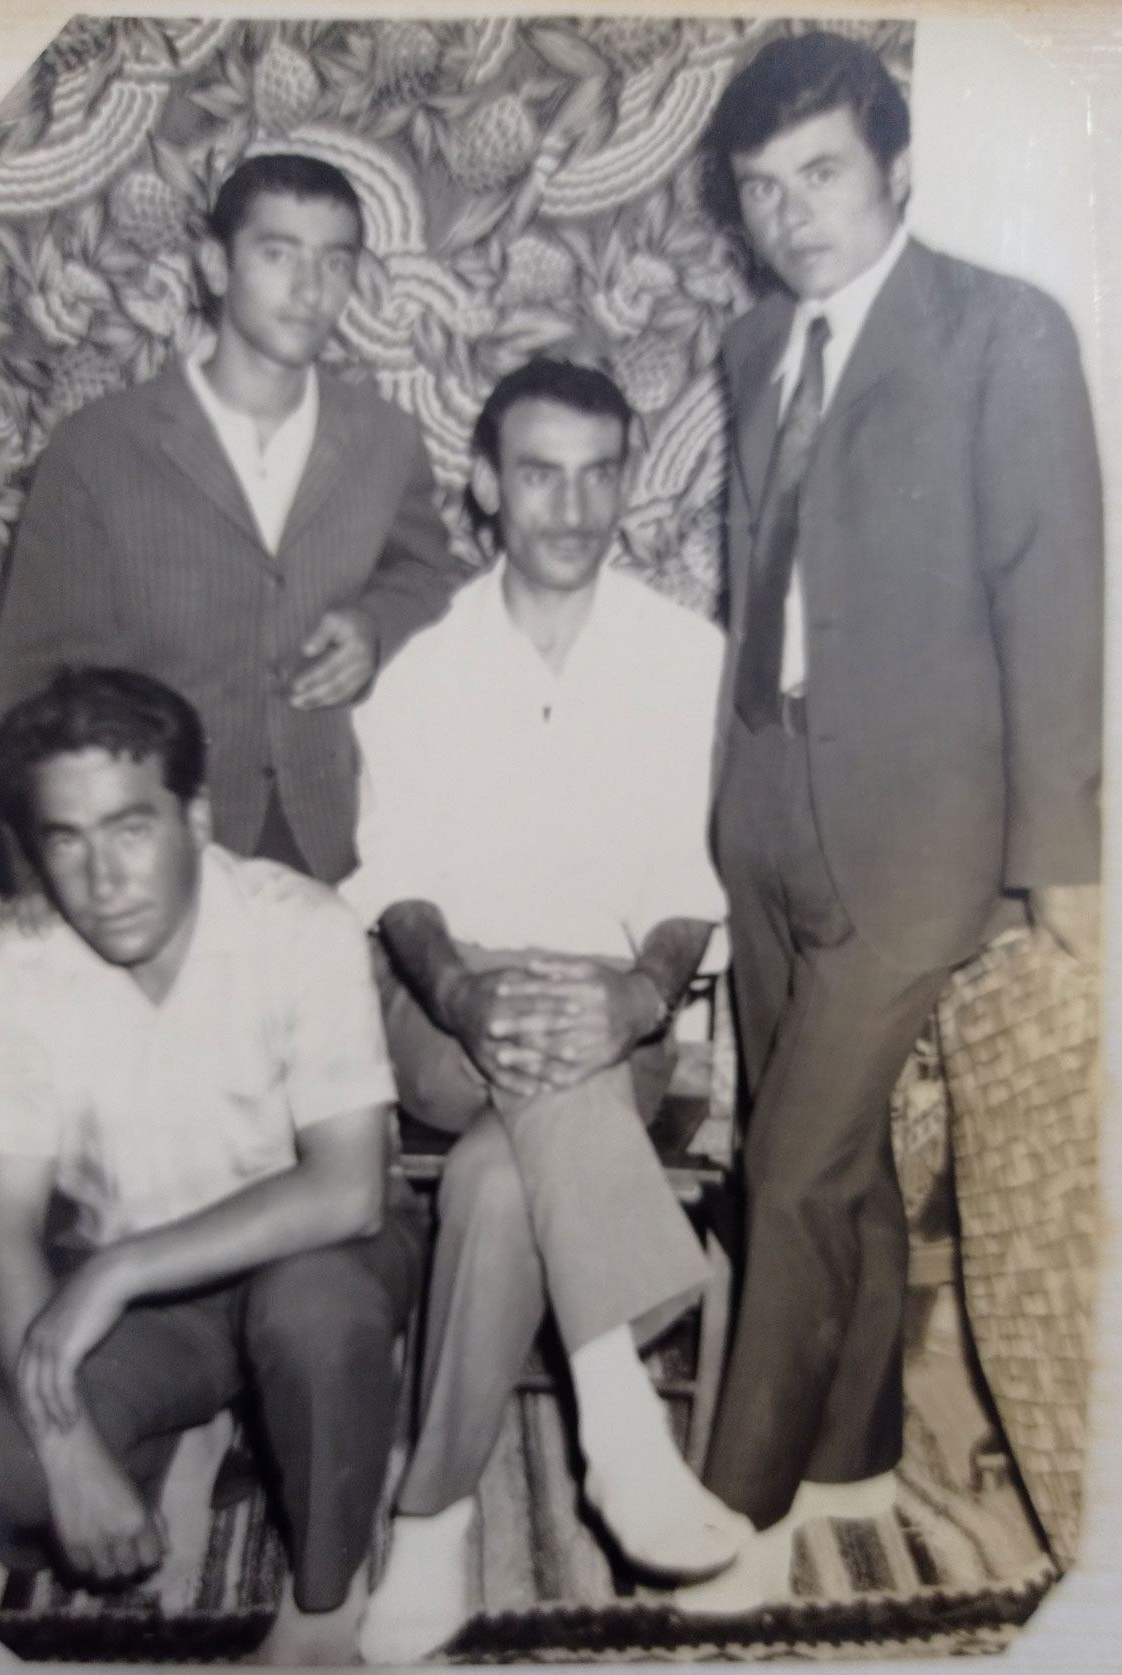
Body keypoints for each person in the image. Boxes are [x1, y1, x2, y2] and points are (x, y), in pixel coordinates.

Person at [678, 30, 1103, 1612]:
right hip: (767, 802)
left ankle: (739, 1508)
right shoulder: (748, 349)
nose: (791, 214)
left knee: (787, 1165)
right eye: (761, 187)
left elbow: (1053, 602)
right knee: (841, 1162)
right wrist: (730, 801)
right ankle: (852, 1450)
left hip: (926, 826)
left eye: (823, 174)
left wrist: (1064, 866)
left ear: (898, 169)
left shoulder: (1002, 331)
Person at [342, 358, 752, 1662]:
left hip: (613, 1021)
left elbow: (690, 883)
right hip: (439, 1013)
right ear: (485, 483)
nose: (571, 509)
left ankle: (430, 1521)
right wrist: (465, 986)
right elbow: (396, 883)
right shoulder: (421, 665)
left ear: (628, 480)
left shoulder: (688, 659)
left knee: (499, 1180)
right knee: (528, 1062)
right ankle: (620, 1420)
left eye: (597, 474)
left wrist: (639, 991)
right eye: (538, 474)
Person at [0, 667, 423, 1665]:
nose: (103, 879)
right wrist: (70, 1451)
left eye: (130, 829)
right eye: (66, 841)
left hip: (310, 1256)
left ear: (197, 818)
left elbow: (347, 1190)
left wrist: (117, 1273)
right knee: (6, 1474)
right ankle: (197, 1425)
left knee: (313, 1316)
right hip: (152, 1305)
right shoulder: (16, 968)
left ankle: (326, 1601)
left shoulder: (299, 925)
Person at [0, 152, 463, 887]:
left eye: (335, 262)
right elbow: (32, 696)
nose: (310, 289)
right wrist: (34, 892)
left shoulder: (386, 439)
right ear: (215, 266)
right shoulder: (98, 449)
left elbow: (428, 573)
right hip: (150, 856)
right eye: (278, 255)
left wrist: (376, 625)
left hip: (334, 845)